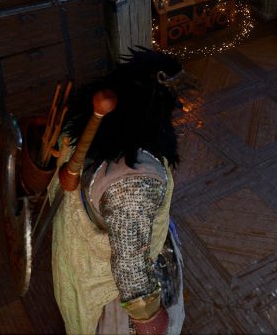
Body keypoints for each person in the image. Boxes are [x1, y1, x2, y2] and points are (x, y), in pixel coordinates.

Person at [50, 49, 191, 335]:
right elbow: (130, 267)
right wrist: (149, 319)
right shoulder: (133, 182)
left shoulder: (95, 121)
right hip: (111, 289)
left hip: (83, 248)